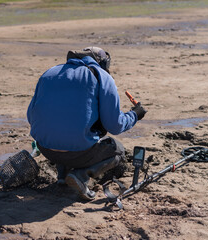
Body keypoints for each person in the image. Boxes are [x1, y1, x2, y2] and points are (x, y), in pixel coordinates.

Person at [27, 46, 146, 200]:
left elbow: (31, 116)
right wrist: (135, 115)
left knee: (64, 126)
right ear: (102, 62)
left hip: (46, 149)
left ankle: (62, 177)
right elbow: (115, 125)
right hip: (79, 152)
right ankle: (80, 176)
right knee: (118, 150)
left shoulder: (49, 73)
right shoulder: (101, 76)